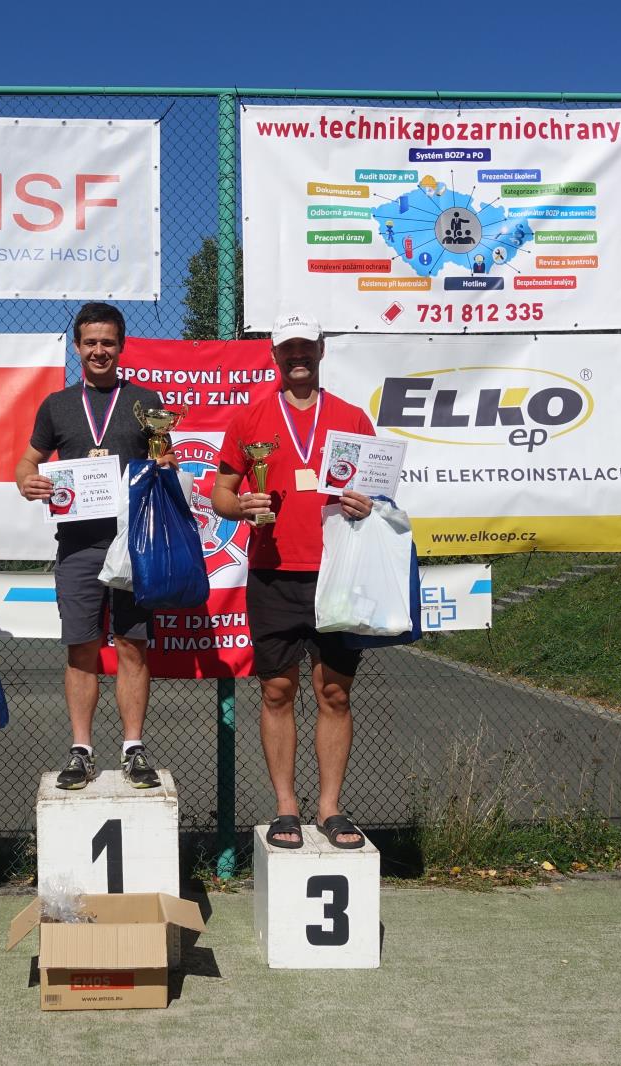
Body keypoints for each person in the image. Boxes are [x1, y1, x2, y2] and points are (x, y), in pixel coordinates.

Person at [211, 312, 375, 851]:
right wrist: (241, 505)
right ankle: (286, 807)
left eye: (307, 346)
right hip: (274, 572)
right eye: (288, 348)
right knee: (277, 690)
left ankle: (330, 808)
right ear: (274, 355)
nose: (298, 355)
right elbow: (220, 493)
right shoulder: (250, 418)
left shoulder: (352, 418)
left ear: (321, 351)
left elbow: (378, 491)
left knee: (335, 693)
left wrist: (368, 503)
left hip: (337, 572)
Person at [14, 302, 169, 790]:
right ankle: (81, 750)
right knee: (81, 648)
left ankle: (133, 748)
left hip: (134, 543)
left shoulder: (146, 400)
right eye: (90, 342)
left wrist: (166, 465)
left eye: (108, 342)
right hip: (78, 547)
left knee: (132, 646)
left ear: (121, 346)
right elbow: (27, 462)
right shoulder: (57, 405)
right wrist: (27, 481)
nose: (99, 350)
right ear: (77, 348)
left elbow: (167, 458)